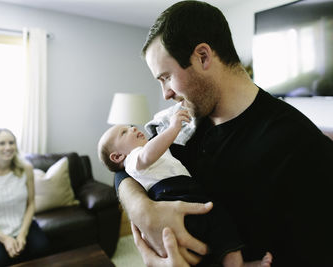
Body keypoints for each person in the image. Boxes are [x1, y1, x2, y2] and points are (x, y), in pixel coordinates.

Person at [114, 1, 333, 267]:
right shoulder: (181, 126)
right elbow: (125, 164)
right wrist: (141, 209)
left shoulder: (301, 147)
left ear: (203, 57)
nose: (166, 94)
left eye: (166, 77)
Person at [98, 109, 272, 267]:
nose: (133, 128)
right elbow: (147, 155)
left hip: (190, 191)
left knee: (220, 222)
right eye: (124, 132)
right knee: (213, 226)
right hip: (171, 195)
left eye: (130, 126)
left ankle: (237, 263)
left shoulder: (152, 149)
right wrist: (173, 128)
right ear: (117, 156)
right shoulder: (133, 160)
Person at [0, 128, 50, 266]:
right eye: (1, 143)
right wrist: (6, 239)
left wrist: (22, 234)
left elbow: (31, 204)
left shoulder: (26, 169)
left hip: (22, 226)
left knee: (42, 249)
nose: (8, 147)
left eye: (11, 143)